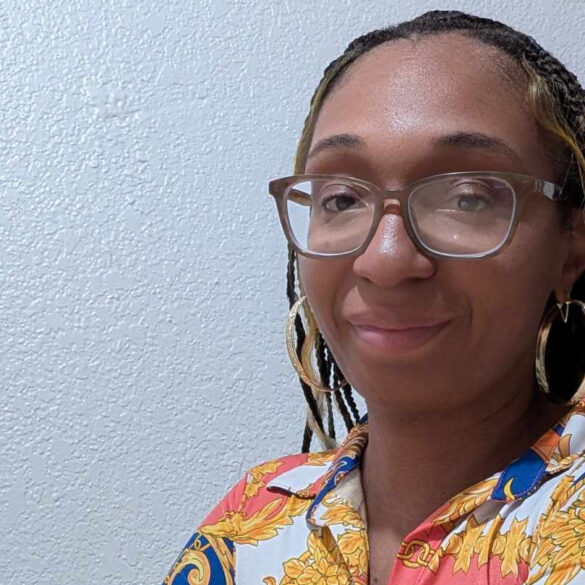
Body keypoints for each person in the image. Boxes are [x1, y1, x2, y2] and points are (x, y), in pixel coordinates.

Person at [162, 10, 585, 585]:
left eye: (466, 197)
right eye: (340, 198)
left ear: (572, 248)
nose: (385, 260)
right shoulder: (252, 520)